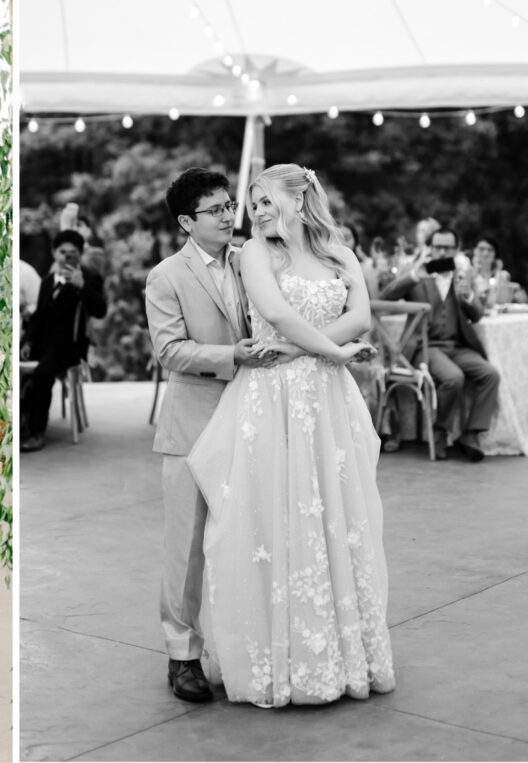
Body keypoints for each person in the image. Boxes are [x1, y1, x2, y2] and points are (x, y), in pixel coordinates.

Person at [186, 164, 394, 707]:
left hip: (324, 396)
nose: (252, 212)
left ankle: (341, 655)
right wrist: (335, 350)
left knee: (335, 516)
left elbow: (361, 317)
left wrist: (309, 351)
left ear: (299, 200)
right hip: (271, 401)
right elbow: (273, 311)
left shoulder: (337, 251)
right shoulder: (256, 253)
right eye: (250, 203)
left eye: (262, 200)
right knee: (273, 517)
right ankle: (279, 658)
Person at [145, 168, 275, 703]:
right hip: (193, 425)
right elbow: (169, 351)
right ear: (186, 222)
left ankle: (242, 645)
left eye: (229, 206)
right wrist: (231, 357)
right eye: (215, 210)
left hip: (253, 416)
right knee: (188, 547)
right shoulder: (165, 277)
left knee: (249, 535)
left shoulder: (250, 262)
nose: (228, 216)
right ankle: (182, 657)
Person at [380, 228, 500, 461]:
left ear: (455, 250)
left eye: (447, 247)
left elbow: (476, 316)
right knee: (454, 378)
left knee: (490, 375)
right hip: (425, 348)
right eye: (437, 247)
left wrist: (468, 298)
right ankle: (439, 430)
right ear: (430, 248)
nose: (441, 251)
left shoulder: (462, 275)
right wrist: (415, 276)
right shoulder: (418, 273)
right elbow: (385, 296)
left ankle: (471, 434)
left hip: (457, 347)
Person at [21, 230, 107, 452]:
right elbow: (39, 316)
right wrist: (29, 342)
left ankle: (37, 432)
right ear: (53, 253)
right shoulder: (48, 281)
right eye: (62, 252)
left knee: (42, 373)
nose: (67, 257)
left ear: (80, 254)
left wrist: (82, 287)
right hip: (43, 344)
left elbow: (100, 311)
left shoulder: (89, 277)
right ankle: (22, 424)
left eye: (73, 253)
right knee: (19, 369)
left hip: (70, 345)